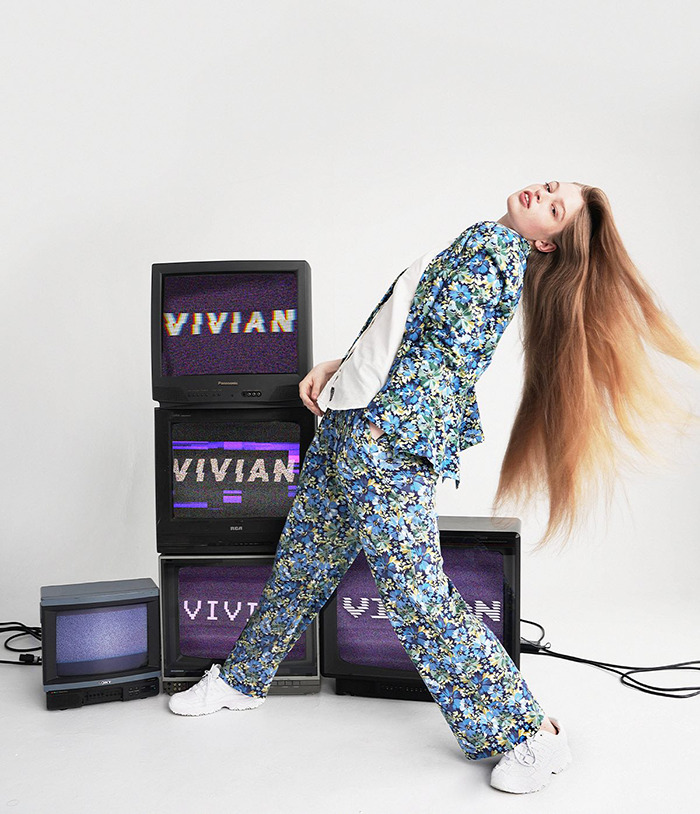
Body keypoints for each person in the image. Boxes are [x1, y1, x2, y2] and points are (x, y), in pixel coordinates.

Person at [167, 181, 699, 795]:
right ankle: (244, 679)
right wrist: (342, 371)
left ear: (548, 243)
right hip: (350, 427)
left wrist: (378, 433)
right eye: (555, 187)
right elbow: (408, 339)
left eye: (556, 208)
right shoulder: (481, 242)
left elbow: (446, 367)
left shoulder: (497, 256)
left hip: (379, 445)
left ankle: (532, 736)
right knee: (303, 564)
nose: (545, 192)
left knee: (418, 595)